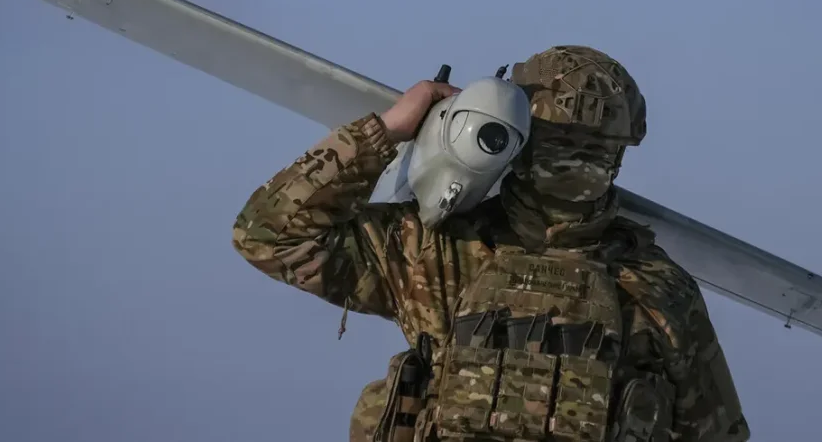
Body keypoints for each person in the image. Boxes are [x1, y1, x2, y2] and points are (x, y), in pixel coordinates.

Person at [232, 45, 749, 442]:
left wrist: (388, 130)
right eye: (567, 143)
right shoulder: (659, 287)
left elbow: (269, 235)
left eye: (589, 147)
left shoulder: (433, 248)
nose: (577, 159)